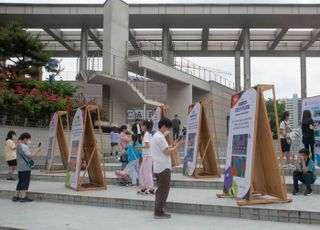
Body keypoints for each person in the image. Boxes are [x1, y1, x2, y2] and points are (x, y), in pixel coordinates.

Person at [151, 118, 182, 219]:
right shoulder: (160, 137)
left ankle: (158, 209)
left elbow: (165, 148)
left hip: (158, 166)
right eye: (168, 128)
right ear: (163, 126)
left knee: (160, 190)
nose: (168, 131)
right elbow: (167, 152)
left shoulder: (155, 136)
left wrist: (173, 144)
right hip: (163, 167)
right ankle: (158, 212)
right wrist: (176, 146)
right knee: (164, 190)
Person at [13, 132, 41, 202]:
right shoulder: (24, 146)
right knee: (25, 181)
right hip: (25, 167)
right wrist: (37, 151)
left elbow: (25, 155)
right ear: (25, 139)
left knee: (20, 181)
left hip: (20, 166)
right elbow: (30, 156)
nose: (29, 141)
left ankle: (16, 196)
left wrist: (33, 151)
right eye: (29, 139)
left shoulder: (18, 145)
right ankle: (23, 197)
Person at [136, 120, 154, 195]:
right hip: (147, 156)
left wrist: (139, 147)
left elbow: (148, 145)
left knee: (147, 172)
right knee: (142, 171)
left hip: (148, 156)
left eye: (141, 126)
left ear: (145, 126)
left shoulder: (147, 134)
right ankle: (144, 187)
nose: (141, 127)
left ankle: (151, 188)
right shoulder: (148, 134)